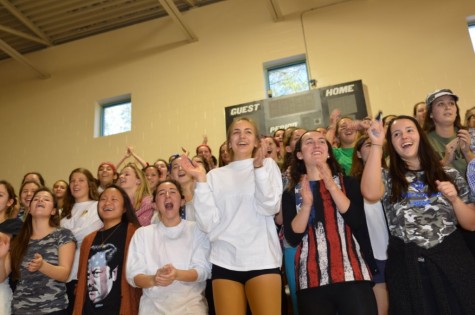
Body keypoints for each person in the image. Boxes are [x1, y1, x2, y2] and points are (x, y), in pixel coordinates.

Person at [362, 115, 475, 314]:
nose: (404, 136)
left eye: (409, 130)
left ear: (420, 136)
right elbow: (370, 193)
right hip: (407, 266)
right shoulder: (387, 177)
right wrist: (377, 145)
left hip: (452, 262)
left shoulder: (448, 173)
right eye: (396, 134)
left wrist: (455, 200)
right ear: (392, 144)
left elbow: (471, 224)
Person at [181, 117, 283, 315]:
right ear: (229, 142)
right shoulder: (213, 176)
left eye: (248, 132)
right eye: (236, 132)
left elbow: (270, 207)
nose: (242, 136)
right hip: (223, 261)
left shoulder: (268, 166)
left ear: (255, 141)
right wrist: (201, 180)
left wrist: (259, 168)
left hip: (262, 259)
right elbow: (207, 223)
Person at [282, 130, 377, 315]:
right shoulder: (291, 192)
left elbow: (357, 221)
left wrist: (332, 186)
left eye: (321, 142)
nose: (316, 145)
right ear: (299, 154)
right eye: (309, 142)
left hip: (353, 274)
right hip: (311, 280)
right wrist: (306, 205)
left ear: (328, 151)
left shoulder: (349, 183)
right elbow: (292, 237)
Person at [126, 179, 211, 314]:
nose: (167, 196)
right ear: (154, 204)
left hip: (190, 308)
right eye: (161, 193)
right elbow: (134, 275)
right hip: (151, 309)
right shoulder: (142, 234)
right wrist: (154, 279)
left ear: (182, 201)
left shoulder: (197, 230)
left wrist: (176, 274)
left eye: (172, 192)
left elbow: (204, 270)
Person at [0, 188, 76, 315]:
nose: (40, 200)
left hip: (53, 308)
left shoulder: (63, 234)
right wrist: (1, 257)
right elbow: (1, 277)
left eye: (46, 199)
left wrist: (42, 266)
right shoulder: (19, 239)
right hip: (20, 309)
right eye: (36, 199)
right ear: (29, 209)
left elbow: (64, 274)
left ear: (53, 211)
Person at [73, 185, 142, 315]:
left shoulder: (135, 233)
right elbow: (82, 279)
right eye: (103, 199)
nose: (107, 203)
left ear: (124, 208)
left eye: (114, 199)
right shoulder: (88, 239)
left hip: (119, 308)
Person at [350, 135, 389, 315]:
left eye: (376, 144)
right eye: (368, 145)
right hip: (372, 253)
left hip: (399, 249)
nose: (373, 148)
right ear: (358, 153)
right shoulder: (351, 184)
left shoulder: (394, 176)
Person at [61, 168, 103, 313]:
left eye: (80, 180)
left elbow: (87, 235)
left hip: (86, 271)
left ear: (89, 184)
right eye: (72, 181)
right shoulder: (64, 210)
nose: (75, 184)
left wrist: (65, 237)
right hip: (64, 273)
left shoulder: (97, 206)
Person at [423, 88, 474, 176]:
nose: (448, 107)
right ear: (431, 113)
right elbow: (422, 177)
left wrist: (467, 152)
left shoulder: (470, 136)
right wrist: (445, 161)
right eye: (441, 104)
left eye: (451, 103)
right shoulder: (423, 141)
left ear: (456, 111)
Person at [0, 180, 22, 315]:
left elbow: (2, 276)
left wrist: (2, 257)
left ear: (10, 202)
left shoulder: (14, 226)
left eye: (0, 195)